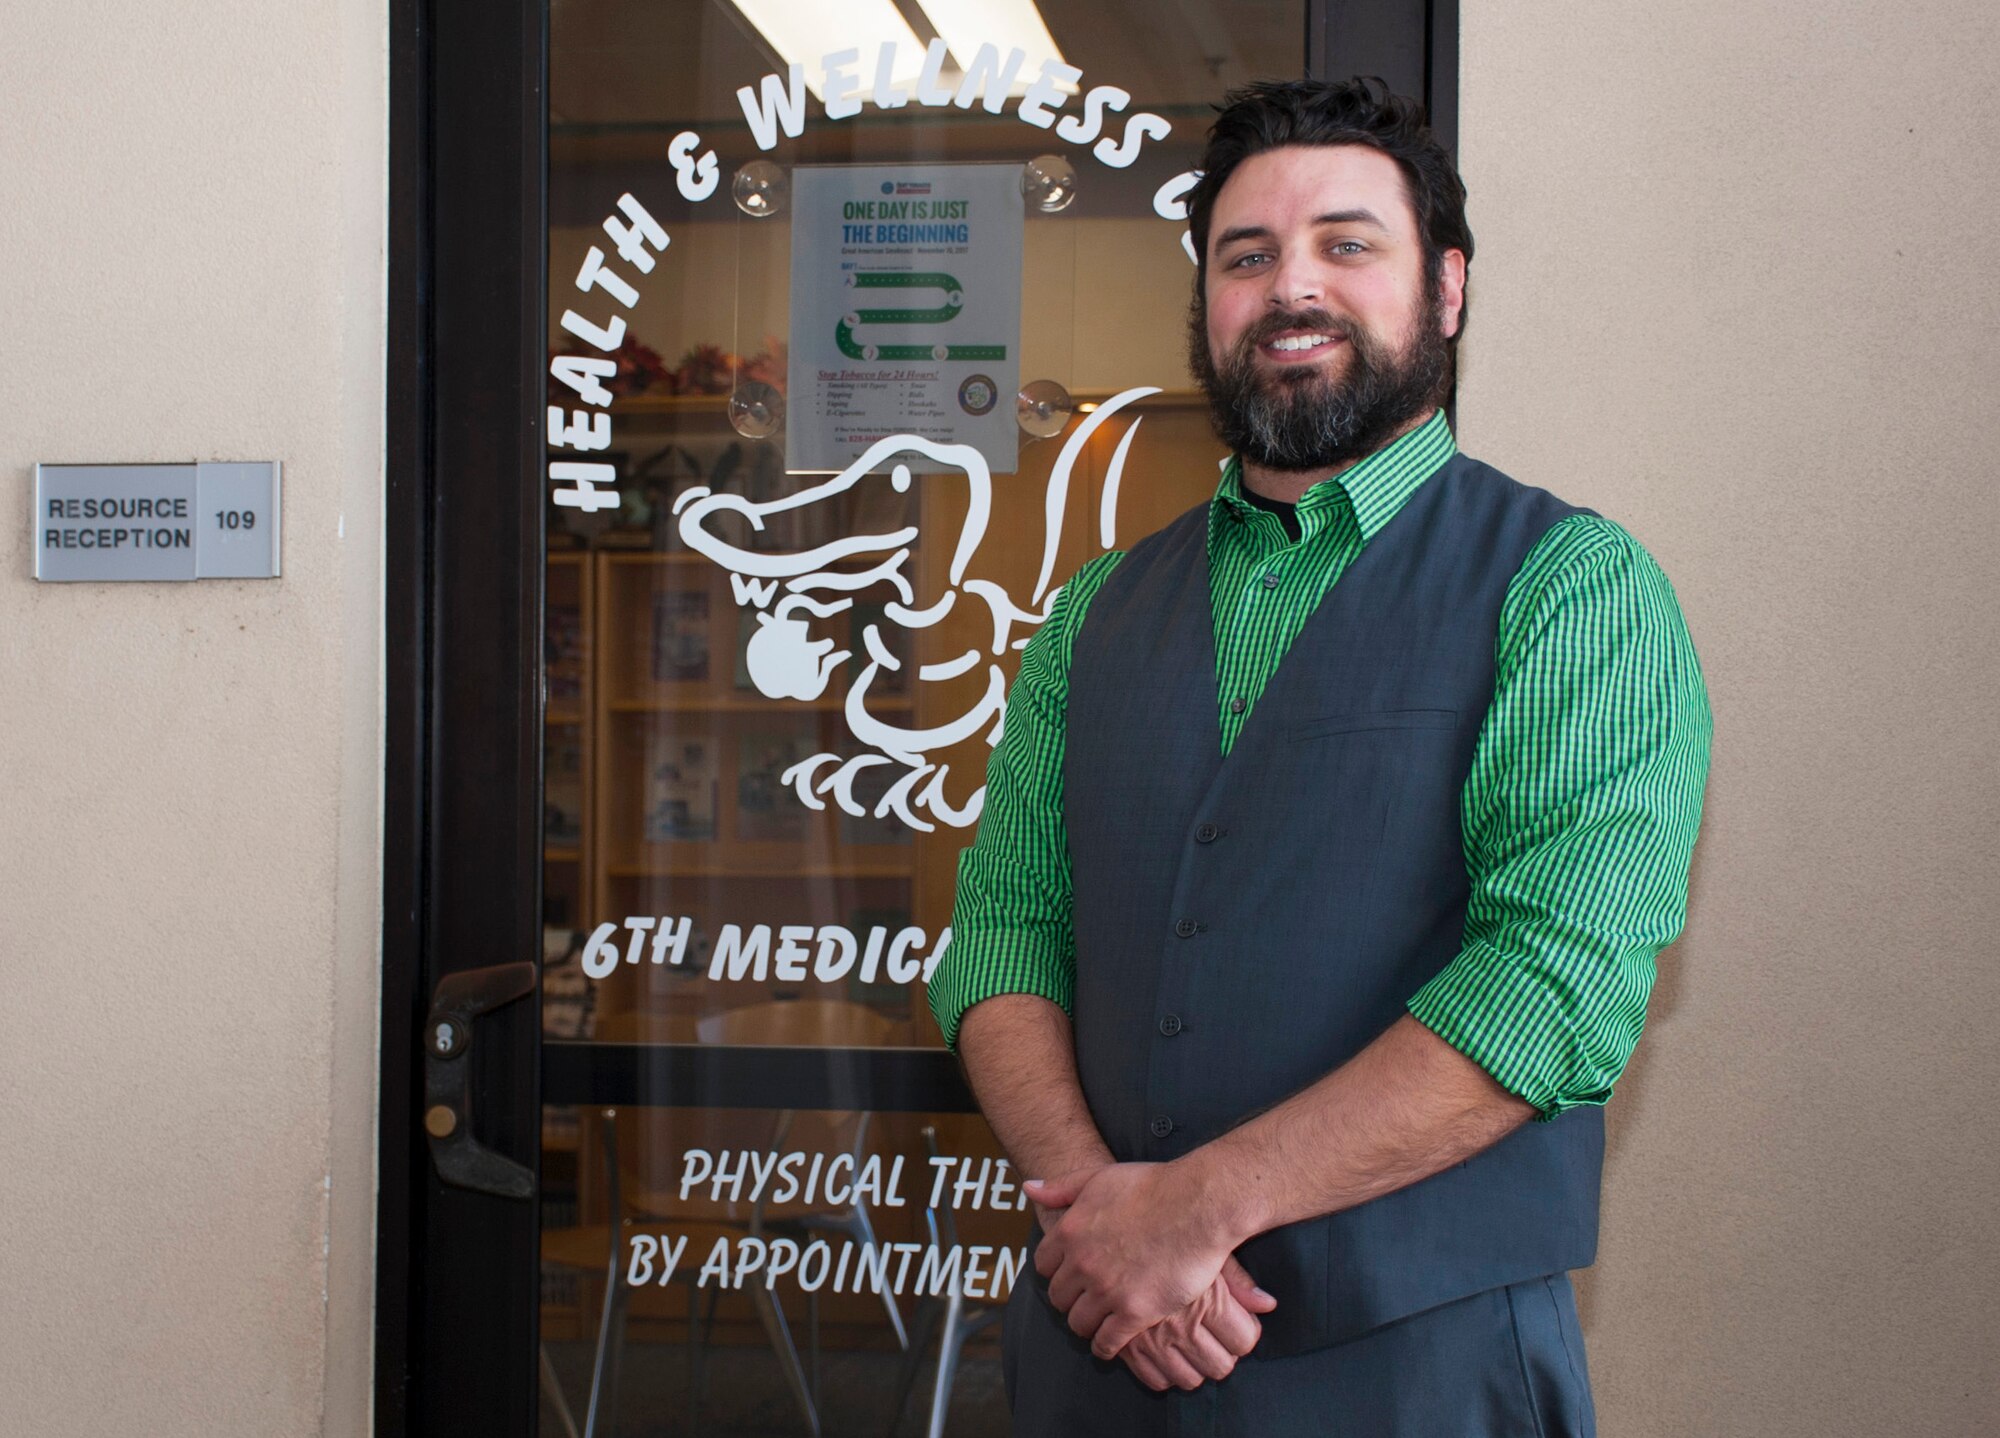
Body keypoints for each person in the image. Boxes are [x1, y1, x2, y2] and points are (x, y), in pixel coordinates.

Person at [926, 76, 1712, 1435]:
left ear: (1447, 289)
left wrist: (1198, 1206)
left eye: (1348, 243)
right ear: (1206, 305)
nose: (1293, 287)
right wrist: (1106, 1222)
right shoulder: (1091, 614)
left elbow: (1559, 982)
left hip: (1422, 1370)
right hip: (1097, 1358)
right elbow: (1003, 936)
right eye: (1248, 256)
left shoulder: (1574, 589)